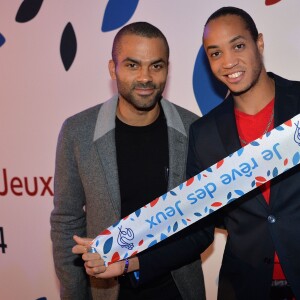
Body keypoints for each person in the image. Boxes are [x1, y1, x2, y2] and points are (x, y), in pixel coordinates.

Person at [73, 7, 300, 300]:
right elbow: (198, 228)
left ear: (259, 43)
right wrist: (130, 262)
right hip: (245, 287)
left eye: (238, 46)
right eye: (215, 53)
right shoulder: (204, 133)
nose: (229, 61)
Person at [50, 21, 209, 300]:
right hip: (108, 292)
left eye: (156, 66)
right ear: (113, 69)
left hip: (178, 289)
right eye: (132, 65)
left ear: (167, 70)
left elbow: (202, 225)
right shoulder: (78, 132)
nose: (145, 77)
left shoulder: (194, 129)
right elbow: (67, 222)